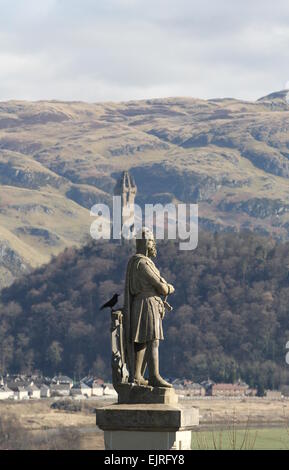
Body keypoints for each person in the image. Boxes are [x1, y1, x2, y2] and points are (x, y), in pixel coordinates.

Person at [123, 227, 175, 388]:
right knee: (152, 340)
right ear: (146, 242)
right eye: (152, 241)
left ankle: (138, 375)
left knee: (143, 341)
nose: (154, 245)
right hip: (147, 304)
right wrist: (168, 287)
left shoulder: (136, 263)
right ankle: (154, 376)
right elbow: (162, 288)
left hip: (144, 304)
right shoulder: (143, 263)